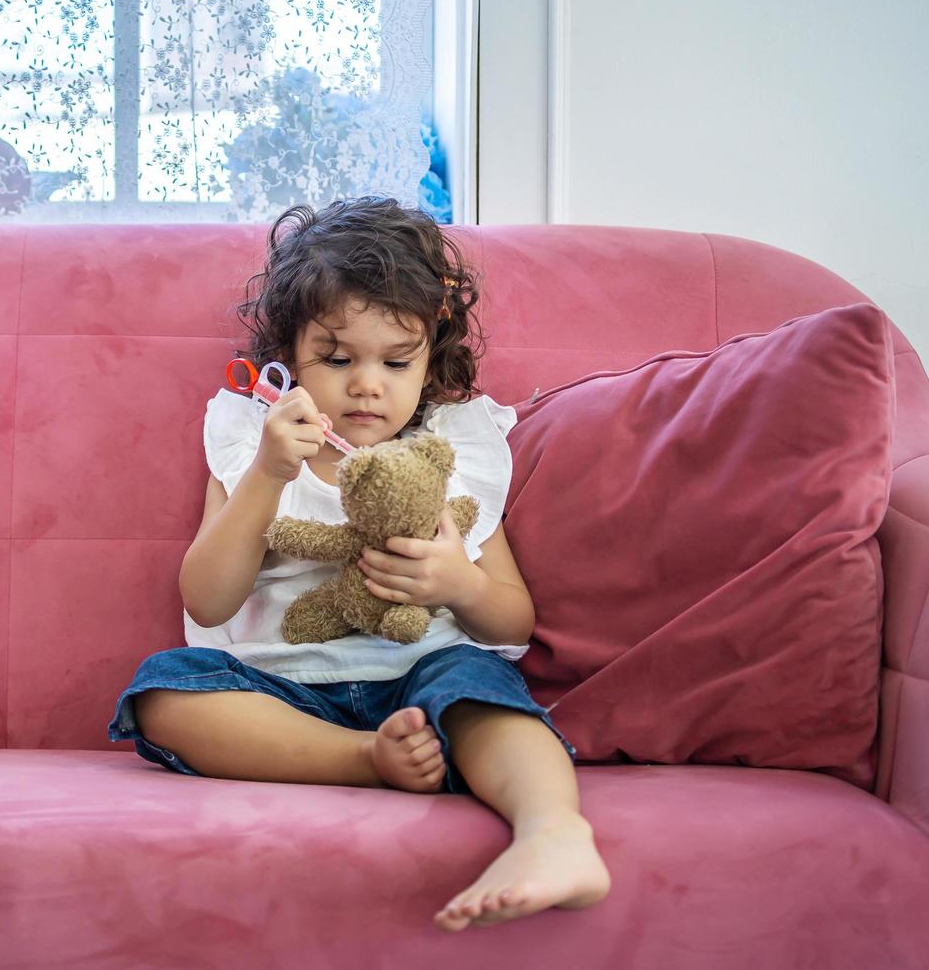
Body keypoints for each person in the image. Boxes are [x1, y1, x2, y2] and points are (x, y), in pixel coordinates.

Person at [107, 196, 610, 932]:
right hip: (282, 693)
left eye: (395, 361)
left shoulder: (450, 451)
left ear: (431, 361)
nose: (366, 384)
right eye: (336, 359)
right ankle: (363, 757)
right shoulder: (254, 441)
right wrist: (268, 477)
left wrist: (457, 583)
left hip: (423, 675)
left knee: (484, 690)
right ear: (288, 358)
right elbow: (207, 601)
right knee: (164, 692)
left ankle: (553, 832)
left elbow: (513, 620)